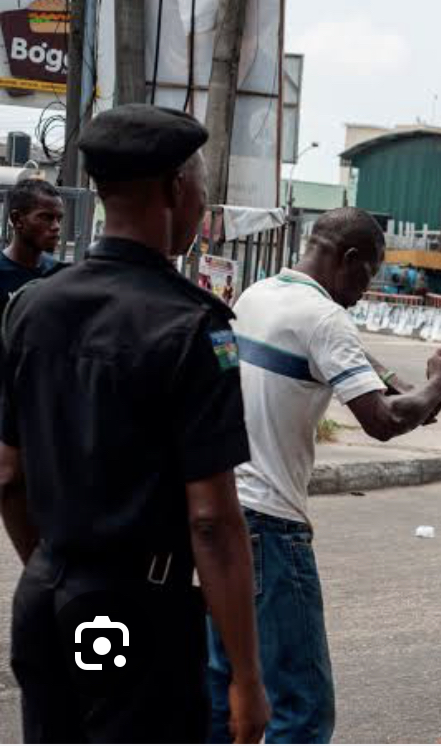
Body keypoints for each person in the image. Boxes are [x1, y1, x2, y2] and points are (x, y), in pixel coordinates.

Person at [0, 104, 268, 742]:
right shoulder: (192, 326)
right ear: (176, 187)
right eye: (202, 186)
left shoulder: (32, 306)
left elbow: (7, 476)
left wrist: (56, 566)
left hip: (43, 596)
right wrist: (247, 677)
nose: (203, 203)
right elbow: (212, 519)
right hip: (128, 615)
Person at [206, 206, 441, 744]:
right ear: (349, 260)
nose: (366, 290)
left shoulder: (258, 295)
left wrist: (397, 381)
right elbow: (383, 422)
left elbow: (339, 354)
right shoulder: (326, 320)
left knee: (223, 696)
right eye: (368, 274)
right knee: (301, 710)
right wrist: (438, 384)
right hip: (272, 532)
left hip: (220, 521)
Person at [0, 178, 65, 313]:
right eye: (46, 217)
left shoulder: (57, 273)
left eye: (59, 219)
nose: (56, 227)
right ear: (17, 219)